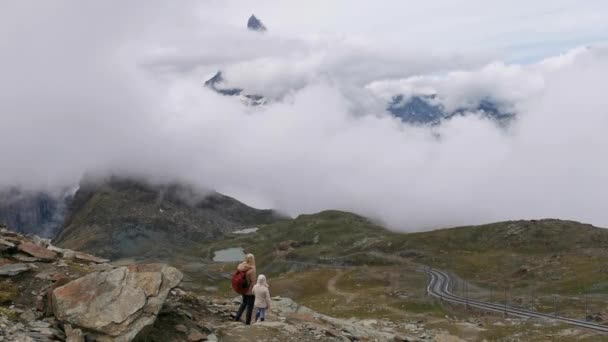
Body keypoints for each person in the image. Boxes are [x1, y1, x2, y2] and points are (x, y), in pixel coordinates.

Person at [234, 253, 256, 324]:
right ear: (252, 259)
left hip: (243, 289)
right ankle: (247, 323)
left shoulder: (241, 266)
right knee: (250, 307)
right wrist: (255, 290)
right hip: (249, 291)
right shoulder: (251, 269)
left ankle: (236, 318)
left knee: (243, 303)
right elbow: (253, 282)